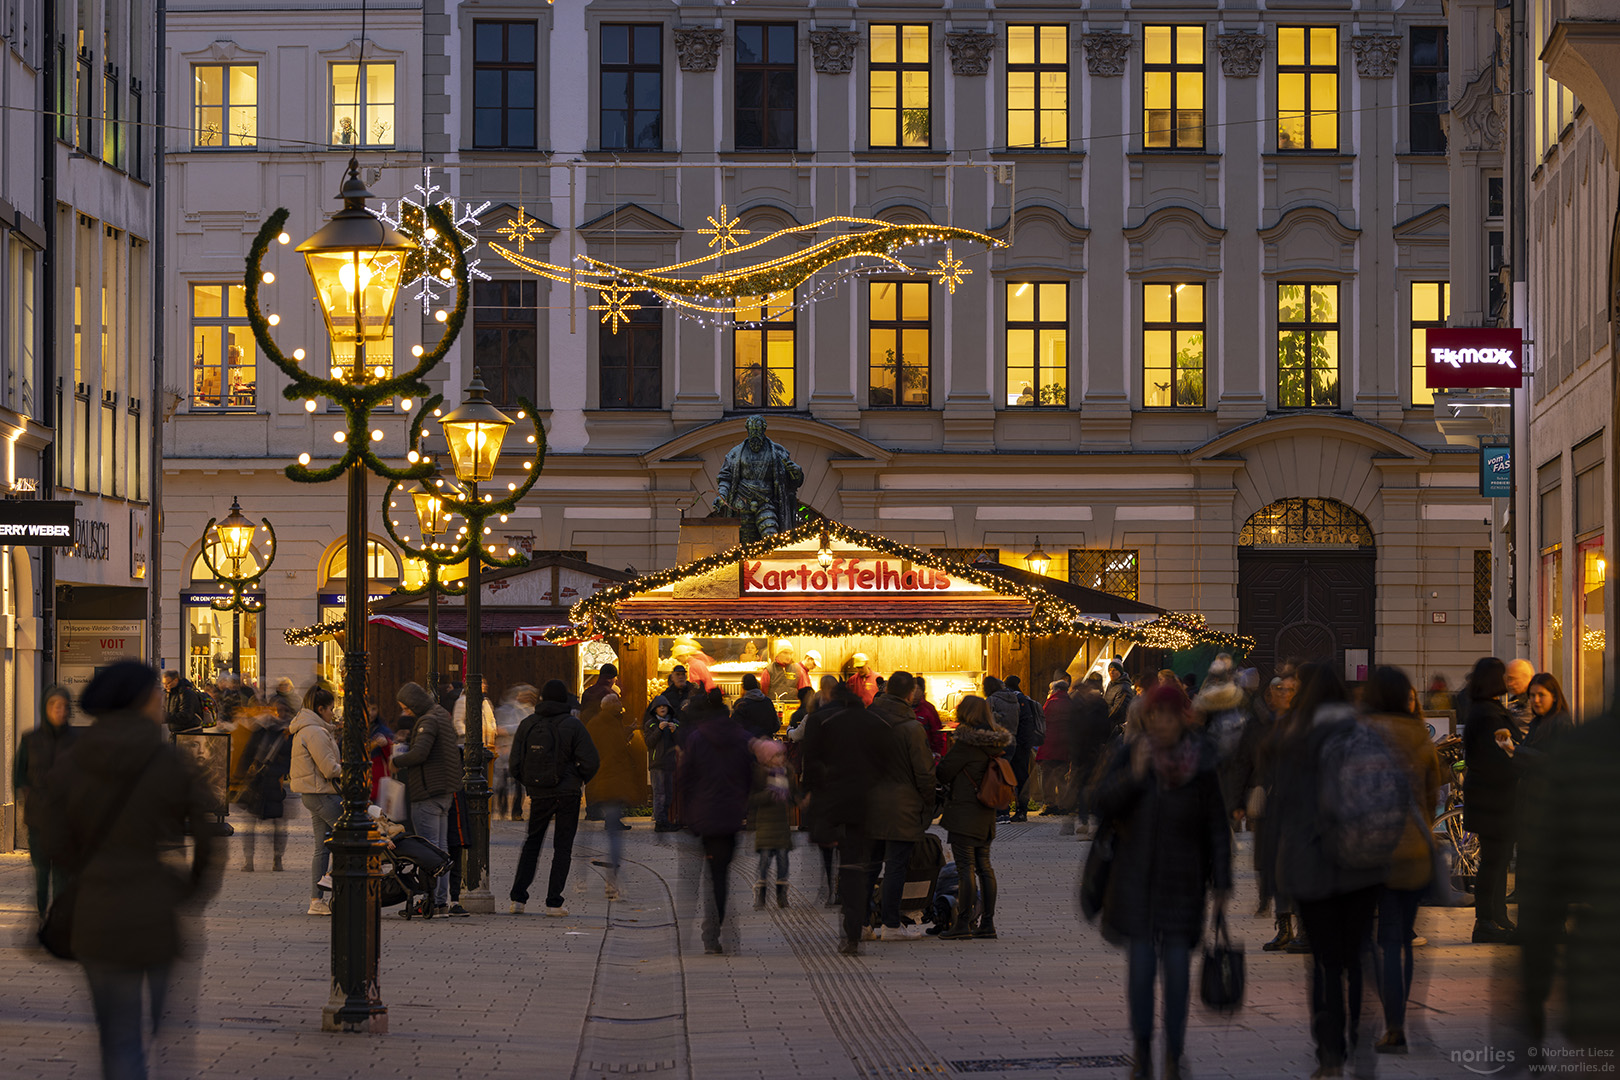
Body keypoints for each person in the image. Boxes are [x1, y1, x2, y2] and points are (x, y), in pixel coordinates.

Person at [42, 661, 219, 1080]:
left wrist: (84, 870)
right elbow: (209, 832)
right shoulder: (167, 761)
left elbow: (49, 837)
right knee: (167, 1035)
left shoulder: (72, 760)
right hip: (154, 913)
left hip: (95, 914)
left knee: (116, 1035)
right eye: (155, 694)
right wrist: (189, 888)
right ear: (139, 702)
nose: (161, 699)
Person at [1092, 683, 1231, 1080]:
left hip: (1184, 884)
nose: (1162, 723)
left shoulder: (1201, 762)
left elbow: (1217, 828)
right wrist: (1134, 776)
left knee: (1175, 970)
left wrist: (1221, 883)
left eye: (1170, 716)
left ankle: (1173, 1052)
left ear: (1182, 718)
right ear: (1147, 718)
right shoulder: (1130, 753)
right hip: (1134, 880)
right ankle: (1141, 1050)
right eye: (1156, 716)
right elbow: (1100, 803)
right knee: (1139, 970)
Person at [1272, 663, 1389, 1078]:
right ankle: (1361, 1039)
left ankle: (1329, 1054)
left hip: (1312, 864)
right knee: (1358, 956)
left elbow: (1279, 808)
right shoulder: (1367, 734)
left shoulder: (1295, 738)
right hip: (1363, 863)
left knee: (1324, 964)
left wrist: (1271, 875)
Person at [1363, 667, 1443, 1055]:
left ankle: (1379, 1018)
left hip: (1368, 851)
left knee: (1374, 942)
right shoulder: (1420, 735)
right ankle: (1398, 1023)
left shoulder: (1361, 733)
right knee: (1400, 940)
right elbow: (1431, 798)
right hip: (1412, 852)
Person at [800, 683, 890, 954]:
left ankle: (849, 925)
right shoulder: (876, 722)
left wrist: (809, 796)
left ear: (831, 698)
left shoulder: (821, 721)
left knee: (843, 864)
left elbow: (811, 762)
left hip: (833, 802)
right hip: (867, 802)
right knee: (857, 865)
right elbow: (887, 763)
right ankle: (855, 927)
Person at [508, 680, 598, 915]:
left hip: (539, 793)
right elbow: (591, 760)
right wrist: (577, 778)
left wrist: (531, 782)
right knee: (563, 847)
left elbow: (515, 763)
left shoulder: (528, 724)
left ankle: (518, 899)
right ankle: (553, 902)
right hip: (567, 793)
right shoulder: (573, 725)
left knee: (532, 843)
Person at [677, 687, 755, 954]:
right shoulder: (743, 738)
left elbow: (685, 777)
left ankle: (699, 932)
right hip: (731, 815)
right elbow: (750, 777)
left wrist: (687, 812)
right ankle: (713, 931)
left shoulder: (698, 738)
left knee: (701, 876)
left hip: (703, 814)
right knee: (720, 876)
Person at [935, 695, 1013, 940]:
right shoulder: (995, 743)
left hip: (964, 813)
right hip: (986, 813)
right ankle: (987, 923)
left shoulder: (966, 744)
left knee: (965, 868)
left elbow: (944, 773)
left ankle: (963, 923)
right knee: (984, 867)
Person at [865, 670, 935, 940]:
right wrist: (927, 803)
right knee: (895, 866)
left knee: (869, 865)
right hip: (902, 806)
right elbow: (925, 773)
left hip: (867, 802)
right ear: (910, 694)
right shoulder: (911, 728)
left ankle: (862, 923)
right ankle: (891, 925)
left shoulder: (865, 722)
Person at [390, 682, 463, 917]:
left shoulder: (428, 720)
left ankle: (431, 901)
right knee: (441, 849)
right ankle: (440, 900)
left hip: (428, 791)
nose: (405, 712)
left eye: (406, 707)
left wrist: (396, 761)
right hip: (443, 791)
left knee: (428, 852)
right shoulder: (441, 714)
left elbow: (421, 753)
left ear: (414, 703)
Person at [1461, 657, 1518, 944]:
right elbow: (1503, 757)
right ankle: (1485, 921)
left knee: (1497, 859)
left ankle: (1496, 916)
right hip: (1494, 800)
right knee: (1494, 861)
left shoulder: (1484, 710)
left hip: (1488, 798)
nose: (1508, 681)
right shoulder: (1489, 715)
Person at [14, 685, 77, 919]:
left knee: (62, 870)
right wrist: (26, 795)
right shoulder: (30, 739)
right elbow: (18, 773)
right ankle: (42, 911)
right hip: (38, 815)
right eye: (54, 706)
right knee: (41, 869)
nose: (60, 711)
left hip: (66, 816)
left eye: (64, 707)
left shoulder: (75, 741)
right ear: (45, 708)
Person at [289, 687, 342, 916]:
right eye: (331, 708)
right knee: (350, 839)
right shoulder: (315, 732)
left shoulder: (309, 729)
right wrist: (350, 769)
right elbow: (329, 768)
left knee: (322, 848)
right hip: (322, 793)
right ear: (320, 709)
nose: (333, 713)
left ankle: (316, 901)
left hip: (313, 793)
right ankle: (330, 880)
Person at [585, 693, 638, 899]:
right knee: (614, 835)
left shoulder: (600, 722)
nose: (621, 705)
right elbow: (615, 750)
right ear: (611, 706)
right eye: (618, 702)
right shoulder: (608, 723)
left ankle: (605, 876)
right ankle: (612, 878)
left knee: (605, 830)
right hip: (611, 782)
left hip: (601, 781)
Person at [235, 699, 292, 873]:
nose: (278, 713)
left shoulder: (287, 733)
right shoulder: (259, 730)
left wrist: (278, 774)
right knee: (250, 823)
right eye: (276, 709)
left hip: (276, 784)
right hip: (257, 782)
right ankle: (249, 860)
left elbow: (290, 759)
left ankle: (277, 858)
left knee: (278, 825)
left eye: (282, 710)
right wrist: (240, 776)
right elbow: (247, 754)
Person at [749, 738, 801, 909]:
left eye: (781, 755)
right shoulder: (759, 775)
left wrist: (800, 801)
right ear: (766, 758)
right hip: (765, 825)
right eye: (775, 756)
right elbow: (751, 799)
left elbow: (793, 796)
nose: (780, 759)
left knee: (783, 860)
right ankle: (761, 894)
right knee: (764, 862)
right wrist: (768, 795)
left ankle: (782, 895)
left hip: (781, 826)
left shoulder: (786, 773)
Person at [1068, 674, 1112, 832]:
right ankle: (1091, 820)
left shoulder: (1077, 704)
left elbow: (1071, 729)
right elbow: (1106, 727)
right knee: (1091, 784)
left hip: (1082, 751)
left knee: (1082, 785)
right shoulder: (1100, 703)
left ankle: (1084, 820)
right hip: (1092, 750)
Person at [494, 684, 536, 820]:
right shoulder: (506, 709)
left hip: (519, 750)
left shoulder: (531, 710)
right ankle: (503, 807)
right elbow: (498, 727)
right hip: (505, 748)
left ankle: (516, 812)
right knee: (503, 782)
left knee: (519, 783)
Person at [643, 694, 683, 832]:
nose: (662, 708)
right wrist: (659, 730)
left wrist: (675, 731)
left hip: (669, 763)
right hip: (657, 764)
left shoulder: (675, 723)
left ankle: (665, 820)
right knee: (659, 794)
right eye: (659, 706)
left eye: (664, 706)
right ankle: (660, 822)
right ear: (654, 709)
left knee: (668, 794)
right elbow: (649, 742)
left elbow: (681, 742)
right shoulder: (651, 724)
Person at [1037, 677, 1073, 816]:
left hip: (1049, 745)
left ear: (1056, 690)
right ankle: (1064, 805)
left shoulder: (1051, 703)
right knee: (1061, 776)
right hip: (1065, 745)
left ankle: (1050, 804)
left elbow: (1042, 721)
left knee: (1047, 777)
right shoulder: (1071, 703)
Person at [452, 673, 497, 755]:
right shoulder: (463, 701)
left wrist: (493, 730)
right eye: (482, 683)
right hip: (470, 743)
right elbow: (458, 721)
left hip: (487, 743)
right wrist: (467, 735)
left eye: (485, 683)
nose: (485, 685)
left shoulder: (486, 702)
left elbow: (491, 719)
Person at [759, 640, 810, 710]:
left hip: (792, 708)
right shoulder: (768, 670)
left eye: (790, 653)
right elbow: (763, 691)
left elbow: (803, 691)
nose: (788, 656)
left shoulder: (797, 670)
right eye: (785, 653)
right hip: (773, 708)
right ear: (778, 653)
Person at [732, 672, 779, 738]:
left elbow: (734, 728)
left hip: (748, 745)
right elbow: (776, 725)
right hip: (766, 744)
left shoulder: (740, 704)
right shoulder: (768, 701)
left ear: (743, 687)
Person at [912, 676, 946, 762]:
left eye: (918, 689)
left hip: (926, 752)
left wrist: (936, 752)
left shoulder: (928, 708)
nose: (915, 692)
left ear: (923, 690)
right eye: (913, 689)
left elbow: (937, 731)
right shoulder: (903, 708)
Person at [162, 668, 205, 734]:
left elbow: (186, 716)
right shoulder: (169, 694)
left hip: (190, 733)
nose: (165, 686)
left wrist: (165, 717)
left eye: (168, 683)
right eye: (163, 683)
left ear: (175, 680)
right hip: (177, 733)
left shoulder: (186, 693)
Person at [1505, 657, 1536, 735]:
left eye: (1513, 679)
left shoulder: (1534, 702)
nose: (1510, 684)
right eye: (1508, 679)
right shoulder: (1514, 701)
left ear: (1527, 677)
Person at [1105, 661, 1135, 731]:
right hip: (1109, 722)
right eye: (1109, 670)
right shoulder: (1111, 684)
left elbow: (1117, 709)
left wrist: (1105, 717)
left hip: (1116, 724)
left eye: (1114, 670)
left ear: (1120, 672)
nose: (1111, 672)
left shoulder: (1124, 687)